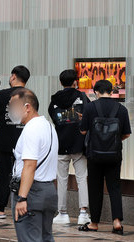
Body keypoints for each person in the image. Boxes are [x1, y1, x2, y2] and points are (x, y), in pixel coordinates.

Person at [78, 80, 130, 235]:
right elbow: (126, 133)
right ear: (111, 91)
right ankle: (117, 222)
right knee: (114, 187)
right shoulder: (121, 109)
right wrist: (112, 142)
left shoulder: (90, 107)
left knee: (95, 188)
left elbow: (83, 132)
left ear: (96, 92)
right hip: (114, 155)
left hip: (94, 155)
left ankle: (94, 223)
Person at [8, 88, 58, 242]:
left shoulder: (31, 129)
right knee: (45, 237)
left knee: (29, 238)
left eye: (13, 106)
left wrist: (22, 198)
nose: (10, 111)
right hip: (48, 190)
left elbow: (30, 165)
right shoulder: (48, 126)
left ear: (27, 107)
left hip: (31, 192)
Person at [48, 69, 91, 225]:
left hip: (61, 144)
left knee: (62, 179)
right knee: (81, 179)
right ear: (75, 82)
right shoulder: (82, 97)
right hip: (79, 144)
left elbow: (55, 119)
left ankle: (62, 213)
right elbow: (89, 116)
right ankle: (83, 213)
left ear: (61, 82)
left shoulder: (55, 100)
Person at [0, 65, 30, 219]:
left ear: (13, 76)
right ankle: (23, 208)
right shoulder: (30, 96)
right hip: (24, 142)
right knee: (24, 173)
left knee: (4, 175)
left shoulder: (1, 95)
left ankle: (0, 210)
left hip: (3, 140)